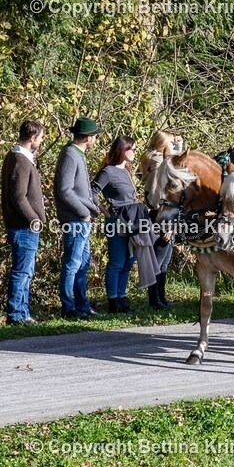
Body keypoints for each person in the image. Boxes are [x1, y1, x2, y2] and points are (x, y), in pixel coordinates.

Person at [54, 117, 104, 319]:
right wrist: (83, 212)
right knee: (72, 263)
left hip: (82, 218)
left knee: (83, 262)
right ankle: (68, 307)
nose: (96, 140)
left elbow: (82, 190)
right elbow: (65, 190)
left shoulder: (78, 154)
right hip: (75, 219)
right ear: (87, 137)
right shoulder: (69, 154)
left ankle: (82, 304)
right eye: (95, 136)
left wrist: (93, 208)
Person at [92, 136, 149, 314]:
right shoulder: (108, 172)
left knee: (129, 260)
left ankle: (122, 296)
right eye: (131, 149)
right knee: (116, 262)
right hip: (116, 221)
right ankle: (113, 301)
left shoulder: (127, 171)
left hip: (132, 220)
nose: (135, 152)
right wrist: (105, 211)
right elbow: (92, 192)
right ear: (122, 150)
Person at [2, 120, 45, 325]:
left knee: (26, 271)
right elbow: (19, 197)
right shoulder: (20, 160)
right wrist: (34, 219)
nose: (41, 141)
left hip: (23, 225)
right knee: (22, 272)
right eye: (41, 137)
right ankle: (17, 314)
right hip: (23, 226)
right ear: (32, 138)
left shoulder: (19, 157)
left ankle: (23, 311)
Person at [140, 131, 179, 309]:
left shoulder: (155, 160)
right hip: (161, 215)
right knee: (159, 261)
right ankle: (155, 299)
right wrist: (167, 226)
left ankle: (160, 298)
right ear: (163, 144)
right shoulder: (158, 164)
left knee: (162, 261)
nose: (174, 144)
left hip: (158, 214)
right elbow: (158, 195)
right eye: (171, 142)